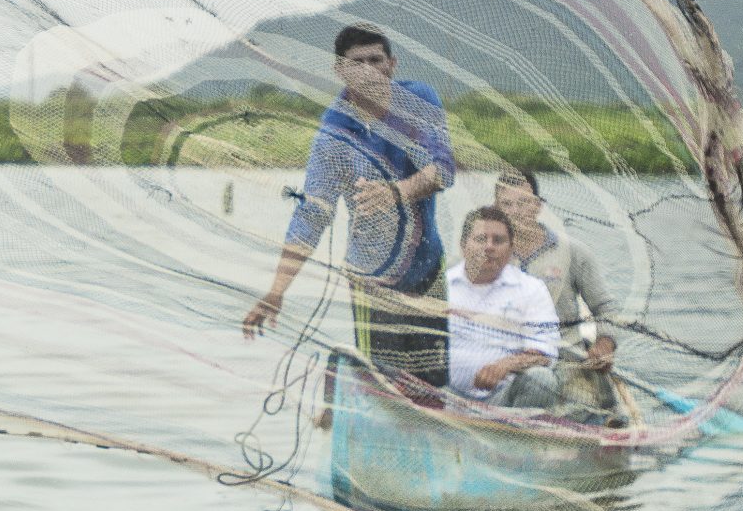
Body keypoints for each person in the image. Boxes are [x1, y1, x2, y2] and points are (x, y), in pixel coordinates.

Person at [241, 26, 455, 386]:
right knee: (383, 385)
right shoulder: (334, 134)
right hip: (370, 278)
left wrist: (397, 191)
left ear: (392, 64)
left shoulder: (418, 101)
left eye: (377, 60)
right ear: (340, 70)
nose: (369, 69)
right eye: (358, 62)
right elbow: (312, 215)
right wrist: (277, 291)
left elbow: (444, 170)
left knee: (433, 381)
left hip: (428, 268)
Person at [494, 168, 620, 414]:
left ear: (538, 206)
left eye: (523, 202)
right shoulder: (486, 257)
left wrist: (605, 343)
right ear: (495, 209)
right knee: (538, 383)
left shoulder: (573, 252)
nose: (515, 211)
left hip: (568, 361)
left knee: (590, 414)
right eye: (506, 204)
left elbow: (605, 308)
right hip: (510, 366)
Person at [445, 205, 558, 407]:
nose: (489, 247)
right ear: (463, 245)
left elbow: (545, 353)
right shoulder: (440, 287)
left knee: (543, 380)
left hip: (501, 402)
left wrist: (504, 366)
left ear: (511, 249)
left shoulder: (532, 289)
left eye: (498, 240)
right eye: (480, 239)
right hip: (442, 395)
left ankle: (514, 435)